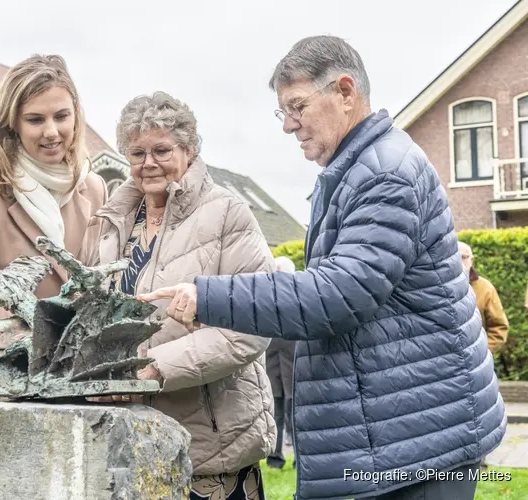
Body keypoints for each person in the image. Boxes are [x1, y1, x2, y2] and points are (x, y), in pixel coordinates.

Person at [138, 36, 506, 500]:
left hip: (417, 448)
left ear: (345, 92)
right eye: (282, 112)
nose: (289, 126)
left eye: (297, 107)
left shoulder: (384, 173)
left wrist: (207, 296)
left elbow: (337, 296)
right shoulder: (356, 170)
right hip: (398, 433)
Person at [81, 91, 277, 500]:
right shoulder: (113, 222)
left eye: (161, 150)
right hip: (131, 443)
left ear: (189, 150)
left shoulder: (228, 214)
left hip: (209, 451)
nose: (148, 163)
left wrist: (152, 370)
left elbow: (252, 327)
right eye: (137, 153)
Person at [0, 54, 107, 405]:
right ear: (12, 124)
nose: (52, 131)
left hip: (62, 391)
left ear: (76, 116)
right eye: (35, 119)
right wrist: (44, 333)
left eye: (61, 116)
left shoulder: (94, 188)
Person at [265, 255, 296, 471]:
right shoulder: (267, 298)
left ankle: (298, 459)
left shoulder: (296, 297)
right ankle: (275, 457)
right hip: (273, 361)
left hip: (292, 361)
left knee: (293, 411)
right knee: (277, 410)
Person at [459, 242, 508, 353]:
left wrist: (481, 353)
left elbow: (499, 327)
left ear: (471, 260)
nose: (458, 262)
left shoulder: (485, 288)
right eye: (454, 257)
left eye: (462, 257)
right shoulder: (437, 287)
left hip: (476, 362)